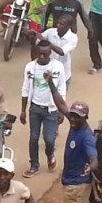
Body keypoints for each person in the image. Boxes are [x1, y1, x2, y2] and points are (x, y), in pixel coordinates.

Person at [43, 72, 99, 203]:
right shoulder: (74, 122)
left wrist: (92, 166)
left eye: (77, 117)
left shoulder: (87, 137)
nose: (72, 119)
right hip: (70, 183)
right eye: (72, 115)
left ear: (85, 118)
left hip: (77, 186)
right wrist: (51, 83)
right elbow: (61, 105)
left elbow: (93, 157)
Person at [20, 39, 67, 177]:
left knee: (49, 139)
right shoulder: (30, 67)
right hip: (34, 107)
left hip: (51, 109)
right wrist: (23, 110)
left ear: (50, 53)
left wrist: (62, 111)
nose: (41, 57)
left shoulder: (58, 67)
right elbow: (25, 88)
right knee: (34, 137)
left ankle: (50, 154)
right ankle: (34, 165)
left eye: (45, 54)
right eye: (39, 54)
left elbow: (62, 89)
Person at [39, 15, 78, 89]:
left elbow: (61, 52)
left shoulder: (73, 38)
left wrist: (46, 42)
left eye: (61, 24)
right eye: (58, 23)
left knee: (59, 99)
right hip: (47, 72)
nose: (58, 26)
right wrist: (33, 37)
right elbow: (38, 42)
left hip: (63, 75)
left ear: (69, 26)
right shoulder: (50, 32)